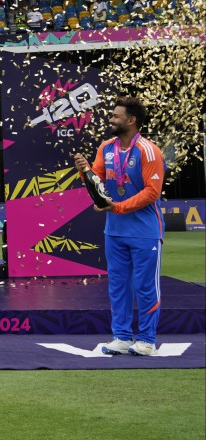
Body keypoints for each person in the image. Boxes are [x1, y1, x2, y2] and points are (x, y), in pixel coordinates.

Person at [74, 97, 165, 356]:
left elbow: (152, 192)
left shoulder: (148, 150)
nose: (111, 119)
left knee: (146, 287)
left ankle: (147, 340)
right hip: (114, 231)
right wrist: (85, 172)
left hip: (145, 231)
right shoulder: (106, 147)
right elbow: (97, 182)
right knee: (118, 286)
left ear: (131, 120)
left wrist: (117, 207)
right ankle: (122, 337)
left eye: (116, 116)